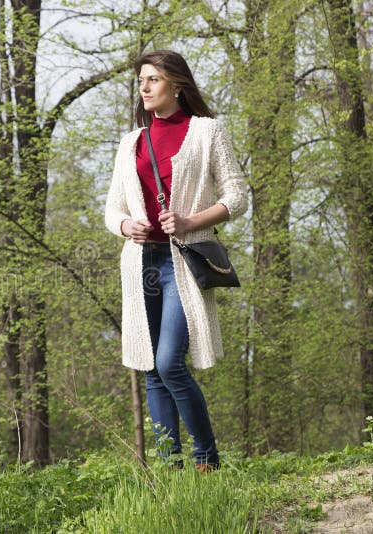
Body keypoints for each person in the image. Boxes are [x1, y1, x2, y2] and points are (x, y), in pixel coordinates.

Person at [104, 50, 248, 470]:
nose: (144, 87)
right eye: (141, 81)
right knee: (151, 368)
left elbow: (237, 197)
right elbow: (112, 208)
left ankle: (206, 457)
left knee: (169, 362)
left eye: (153, 79)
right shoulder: (131, 141)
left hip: (183, 262)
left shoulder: (207, 131)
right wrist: (125, 225)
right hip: (140, 263)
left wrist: (189, 221)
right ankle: (171, 467)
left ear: (177, 85)